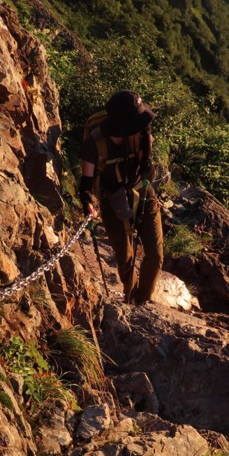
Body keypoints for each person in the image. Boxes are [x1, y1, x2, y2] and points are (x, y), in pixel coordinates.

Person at [79, 90, 164, 305]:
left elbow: (147, 165)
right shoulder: (95, 143)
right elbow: (86, 183)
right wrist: (87, 202)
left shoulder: (142, 132)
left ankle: (141, 301)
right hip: (111, 199)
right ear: (123, 123)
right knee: (125, 259)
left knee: (155, 254)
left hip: (143, 192)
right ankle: (130, 294)